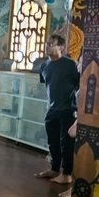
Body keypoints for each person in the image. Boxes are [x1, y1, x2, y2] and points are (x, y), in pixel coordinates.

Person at [34, 35, 80, 189]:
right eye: (47, 43)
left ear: (61, 47)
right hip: (51, 108)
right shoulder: (44, 65)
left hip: (68, 109)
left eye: (51, 44)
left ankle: (67, 174)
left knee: (66, 142)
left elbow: (80, 85)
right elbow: (48, 86)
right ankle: (54, 169)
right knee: (52, 141)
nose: (47, 46)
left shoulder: (70, 65)